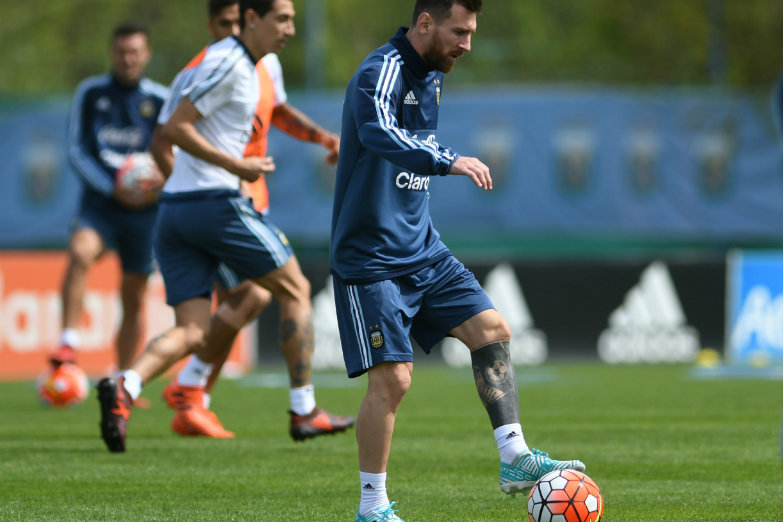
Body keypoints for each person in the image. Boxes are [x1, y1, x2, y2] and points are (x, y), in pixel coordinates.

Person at [329, 2, 585, 521]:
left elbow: (407, 146)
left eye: (471, 33)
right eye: (459, 32)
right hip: (371, 260)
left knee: (491, 328)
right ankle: (372, 509)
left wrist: (436, 157)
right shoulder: (380, 71)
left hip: (422, 248)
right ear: (425, 22)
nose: (467, 44)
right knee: (393, 381)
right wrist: (449, 159)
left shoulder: (431, 76)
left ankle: (514, 456)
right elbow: (378, 131)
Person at [97, 0, 353, 453]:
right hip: (215, 204)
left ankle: (127, 385)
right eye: (283, 19)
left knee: (195, 329)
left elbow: (176, 128)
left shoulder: (231, 63)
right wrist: (236, 164)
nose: (291, 30)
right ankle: (303, 408)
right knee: (293, 288)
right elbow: (174, 129)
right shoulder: (230, 64)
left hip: (175, 211)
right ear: (250, 20)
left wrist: (320, 138)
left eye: (294, 20)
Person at [54, 22, 167, 387]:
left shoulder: (161, 99)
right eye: (121, 52)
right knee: (80, 252)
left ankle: (121, 379)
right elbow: (76, 150)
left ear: (146, 54)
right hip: (102, 204)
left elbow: (173, 150)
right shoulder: (90, 93)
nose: (128, 59)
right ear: (111, 53)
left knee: (133, 295)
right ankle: (68, 343)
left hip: (145, 213)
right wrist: (111, 187)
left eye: (135, 52)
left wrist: (160, 182)